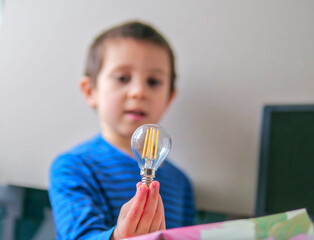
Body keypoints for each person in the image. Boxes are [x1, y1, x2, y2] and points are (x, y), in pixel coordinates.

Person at [49, 20, 195, 240]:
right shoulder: (73, 167)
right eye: (122, 78)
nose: (138, 92)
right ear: (90, 91)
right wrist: (117, 237)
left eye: (153, 82)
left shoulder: (181, 183)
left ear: (169, 98)